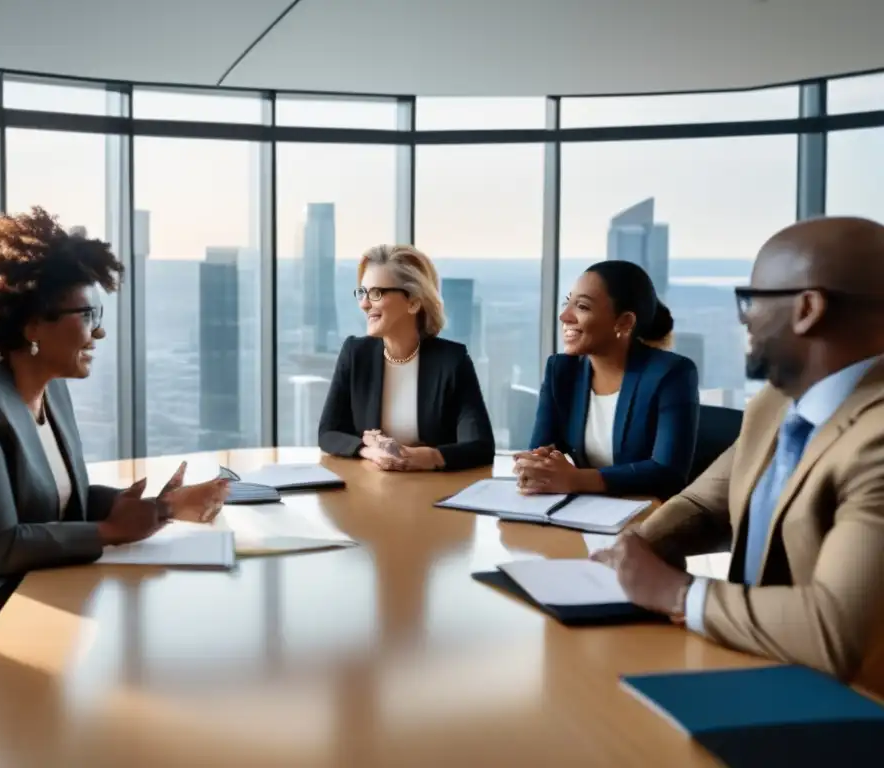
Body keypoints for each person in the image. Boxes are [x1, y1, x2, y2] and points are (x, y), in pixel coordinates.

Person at [0, 208, 229, 650]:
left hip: (24, 593)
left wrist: (161, 507)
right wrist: (113, 531)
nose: (100, 332)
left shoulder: (48, 389)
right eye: (88, 314)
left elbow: (52, 502)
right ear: (32, 323)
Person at [593, 216, 884, 694]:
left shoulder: (875, 439)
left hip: (844, 709)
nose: (744, 319)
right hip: (750, 664)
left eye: (752, 302)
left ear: (807, 309)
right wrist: (635, 549)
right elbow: (707, 504)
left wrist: (676, 593)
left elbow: (836, 629)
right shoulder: (774, 403)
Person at [516, 260, 700, 500]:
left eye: (581, 306)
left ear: (624, 322)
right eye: (567, 303)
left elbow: (668, 473)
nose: (564, 316)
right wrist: (537, 463)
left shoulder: (671, 373)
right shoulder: (561, 370)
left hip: (642, 515)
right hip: (583, 510)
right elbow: (542, 447)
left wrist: (577, 479)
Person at [318, 244, 494, 472]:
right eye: (362, 292)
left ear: (413, 302)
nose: (364, 304)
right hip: (370, 489)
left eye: (376, 293)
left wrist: (426, 457)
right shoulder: (355, 353)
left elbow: (480, 446)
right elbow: (328, 433)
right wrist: (369, 451)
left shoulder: (452, 361)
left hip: (432, 492)